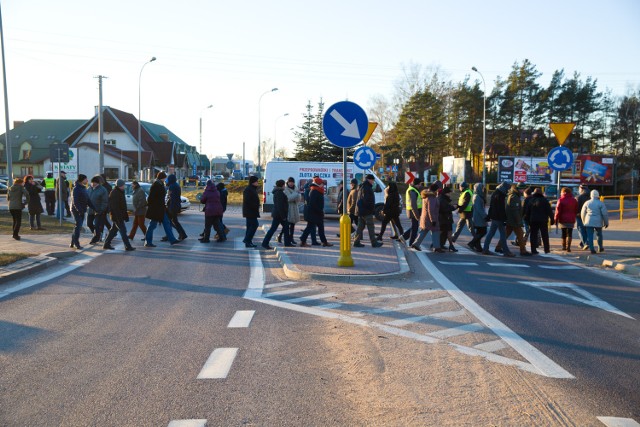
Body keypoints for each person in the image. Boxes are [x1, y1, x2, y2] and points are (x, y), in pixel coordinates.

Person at [144, 171, 179, 247]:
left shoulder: (160, 184)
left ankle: (172, 239)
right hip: (156, 209)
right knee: (152, 225)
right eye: (165, 177)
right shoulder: (156, 185)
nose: (166, 179)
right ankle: (148, 242)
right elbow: (151, 198)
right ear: (162, 178)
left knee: (166, 223)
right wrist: (153, 206)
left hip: (161, 209)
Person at [482, 182, 515, 257]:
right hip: (499, 218)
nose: (508, 191)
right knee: (503, 235)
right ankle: (506, 251)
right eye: (507, 189)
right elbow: (501, 209)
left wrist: (489, 216)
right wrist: (504, 219)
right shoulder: (500, 195)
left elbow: (491, 206)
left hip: (494, 217)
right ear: (504, 188)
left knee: (491, 234)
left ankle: (485, 249)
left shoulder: (495, 193)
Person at [497, 183, 531, 256]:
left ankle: (498, 247)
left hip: (511, 219)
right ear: (519, 189)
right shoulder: (514, 197)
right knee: (520, 234)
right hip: (514, 220)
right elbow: (515, 211)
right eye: (523, 189)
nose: (524, 190)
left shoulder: (514, 195)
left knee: (506, 234)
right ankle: (523, 250)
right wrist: (519, 221)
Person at [103, 179, 135, 251]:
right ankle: (127, 246)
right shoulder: (115, 193)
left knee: (113, 230)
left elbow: (122, 206)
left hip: (119, 216)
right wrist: (118, 217)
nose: (124, 186)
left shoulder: (120, 192)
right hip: (117, 216)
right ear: (120, 185)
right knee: (123, 231)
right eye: (123, 185)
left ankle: (106, 244)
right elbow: (114, 207)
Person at [299, 177, 333, 247]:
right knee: (310, 227)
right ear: (318, 184)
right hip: (314, 213)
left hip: (316, 213)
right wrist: (320, 211)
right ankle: (302, 241)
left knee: (320, 228)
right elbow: (312, 204)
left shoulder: (317, 190)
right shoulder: (314, 191)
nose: (323, 185)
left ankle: (324, 242)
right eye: (321, 184)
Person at [412, 183, 444, 252]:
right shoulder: (431, 197)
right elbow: (431, 209)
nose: (438, 191)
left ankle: (416, 244)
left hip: (425, 217)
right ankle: (436, 247)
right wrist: (433, 220)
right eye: (437, 190)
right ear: (435, 190)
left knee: (424, 231)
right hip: (431, 218)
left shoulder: (426, 195)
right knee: (436, 231)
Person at [353, 174, 383, 248]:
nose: (373, 182)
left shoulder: (362, 186)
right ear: (369, 180)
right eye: (372, 180)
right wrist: (370, 209)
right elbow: (366, 200)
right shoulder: (367, 188)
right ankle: (374, 242)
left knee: (360, 227)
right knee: (371, 227)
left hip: (361, 210)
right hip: (366, 211)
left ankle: (356, 242)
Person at [262, 179, 293, 249]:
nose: (285, 186)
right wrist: (283, 216)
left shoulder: (278, 192)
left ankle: (287, 243)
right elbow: (280, 206)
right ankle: (265, 243)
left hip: (279, 214)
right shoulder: (279, 193)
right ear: (282, 185)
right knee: (273, 229)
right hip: (279, 215)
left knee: (285, 228)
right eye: (284, 185)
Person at [524, 187, 554, 254]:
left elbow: (527, 211)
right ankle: (546, 249)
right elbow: (549, 211)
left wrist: (526, 219)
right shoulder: (545, 200)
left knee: (533, 235)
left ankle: (533, 249)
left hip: (533, 220)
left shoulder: (531, 200)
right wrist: (552, 219)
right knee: (545, 235)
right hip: (543, 220)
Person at [70, 174, 94, 250]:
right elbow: (75, 201)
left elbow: (88, 200)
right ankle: (76, 243)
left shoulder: (83, 188)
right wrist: (79, 210)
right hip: (76, 211)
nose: (87, 181)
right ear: (81, 180)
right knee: (78, 226)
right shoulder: (76, 189)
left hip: (82, 210)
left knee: (77, 226)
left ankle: (73, 242)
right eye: (86, 179)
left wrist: (94, 208)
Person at [581, 189, 608, 254]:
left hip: (588, 221)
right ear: (598, 195)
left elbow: (583, 213)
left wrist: (584, 221)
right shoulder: (601, 203)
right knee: (599, 234)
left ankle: (592, 248)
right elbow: (604, 214)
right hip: (598, 221)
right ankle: (600, 247)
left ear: (591, 195)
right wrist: (606, 222)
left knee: (590, 235)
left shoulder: (587, 203)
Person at [555, 187, 579, 252]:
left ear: (563, 192)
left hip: (562, 219)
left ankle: (564, 246)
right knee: (570, 232)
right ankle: (568, 247)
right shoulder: (574, 200)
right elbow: (576, 210)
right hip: (571, 218)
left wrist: (555, 219)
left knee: (563, 233)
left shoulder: (560, 200)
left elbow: (558, 211)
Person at [279, 177, 300, 244]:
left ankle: (291, 238)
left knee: (293, 225)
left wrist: (296, 197)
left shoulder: (296, 189)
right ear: (287, 183)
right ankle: (280, 236)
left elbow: (298, 199)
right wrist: (296, 194)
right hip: (288, 208)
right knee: (286, 225)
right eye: (289, 182)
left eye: (292, 182)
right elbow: (289, 198)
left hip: (294, 208)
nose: (291, 183)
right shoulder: (285, 190)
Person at [166, 174, 187, 240]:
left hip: (172, 206)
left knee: (172, 221)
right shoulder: (177, 185)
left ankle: (181, 234)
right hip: (176, 205)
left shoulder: (171, 186)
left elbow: (169, 195)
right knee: (173, 221)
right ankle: (180, 234)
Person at [87, 175, 108, 244]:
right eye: (92, 182)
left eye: (94, 183)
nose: (93, 184)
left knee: (97, 225)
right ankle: (96, 234)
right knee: (89, 224)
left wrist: (101, 209)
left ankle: (96, 238)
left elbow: (105, 201)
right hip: (90, 210)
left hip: (99, 210)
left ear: (97, 183)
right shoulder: (89, 189)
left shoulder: (103, 190)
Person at [402, 178, 423, 246]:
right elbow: (413, 204)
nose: (420, 185)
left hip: (412, 211)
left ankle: (403, 237)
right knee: (415, 228)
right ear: (417, 184)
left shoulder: (413, 190)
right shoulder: (413, 191)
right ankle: (411, 243)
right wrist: (417, 215)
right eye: (420, 184)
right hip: (413, 212)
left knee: (414, 227)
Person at [242, 176, 261, 248]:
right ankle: (247, 240)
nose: (257, 182)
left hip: (251, 211)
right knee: (255, 225)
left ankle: (248, 242)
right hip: (250, 211)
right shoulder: (248, 189)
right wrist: (255, 205)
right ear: (253, 182)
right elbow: (248, 201)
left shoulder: (252, 189)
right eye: (256, 181)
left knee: (249, 226)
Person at [468, 183, 487, 252]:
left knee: (479, 232)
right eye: (482, 187)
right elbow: (479, 209)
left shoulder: (478, 195)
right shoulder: (477, 197)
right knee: (483, 231)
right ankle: (472, 243)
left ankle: (478, 246)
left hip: (478, 216)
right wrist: (485, 216)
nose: (483, 189)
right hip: (479, 217)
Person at [438, 186, 457, 251]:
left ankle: (447, 245)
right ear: (446, 193)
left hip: (445, 218)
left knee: (447, 232)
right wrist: (453, 207)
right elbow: (445, 208)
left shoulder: (443, 198)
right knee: (446, 232)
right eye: (449, 193)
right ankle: (437, 244)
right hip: (444, 219)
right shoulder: (443, 199)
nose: (450, 194)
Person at [302, 177, 320, 245]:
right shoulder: (309, 191)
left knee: (311, 226)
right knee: (311, 226)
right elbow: (309, 201)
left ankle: (308, 239)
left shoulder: (308, 190)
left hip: (309, 210)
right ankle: (306, 239)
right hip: (311, 210)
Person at [575, 184, 590, 249]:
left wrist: (576, 213)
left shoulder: (579, 197)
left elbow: (577, 207)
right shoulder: (590, 196)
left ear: (581, 189)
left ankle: (586, 243)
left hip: (580, 215)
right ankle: (582, 243)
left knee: (581, 229)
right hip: (589, 216)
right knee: (586, 230)